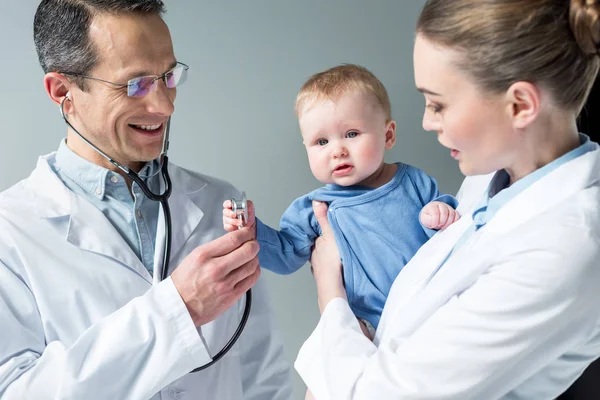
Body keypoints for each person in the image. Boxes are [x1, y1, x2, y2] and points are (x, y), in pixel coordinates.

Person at [294, 0, 600, 398]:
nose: (426, 121)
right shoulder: (493, 179)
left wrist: (329, 291)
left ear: (520, 105)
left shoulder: (567, 246)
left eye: (438, 103)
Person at [0, 1, 293, 399]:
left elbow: (263, 374)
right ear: (63, 91)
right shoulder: (10, 232)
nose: (165, 105)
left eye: (169, 77)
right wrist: (178, 311)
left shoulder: (220, 204)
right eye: (135, 84)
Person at [223, 64, 459, 336]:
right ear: (306, 148)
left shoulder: (412, 182)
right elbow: (286, 256)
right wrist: (252, 231)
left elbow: (447, 231)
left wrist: (440, 211)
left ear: (388, 135)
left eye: (351, 134)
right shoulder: (315, 208)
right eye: (321, 142)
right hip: (371, 326)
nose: (337, 151)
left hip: (430, 304)